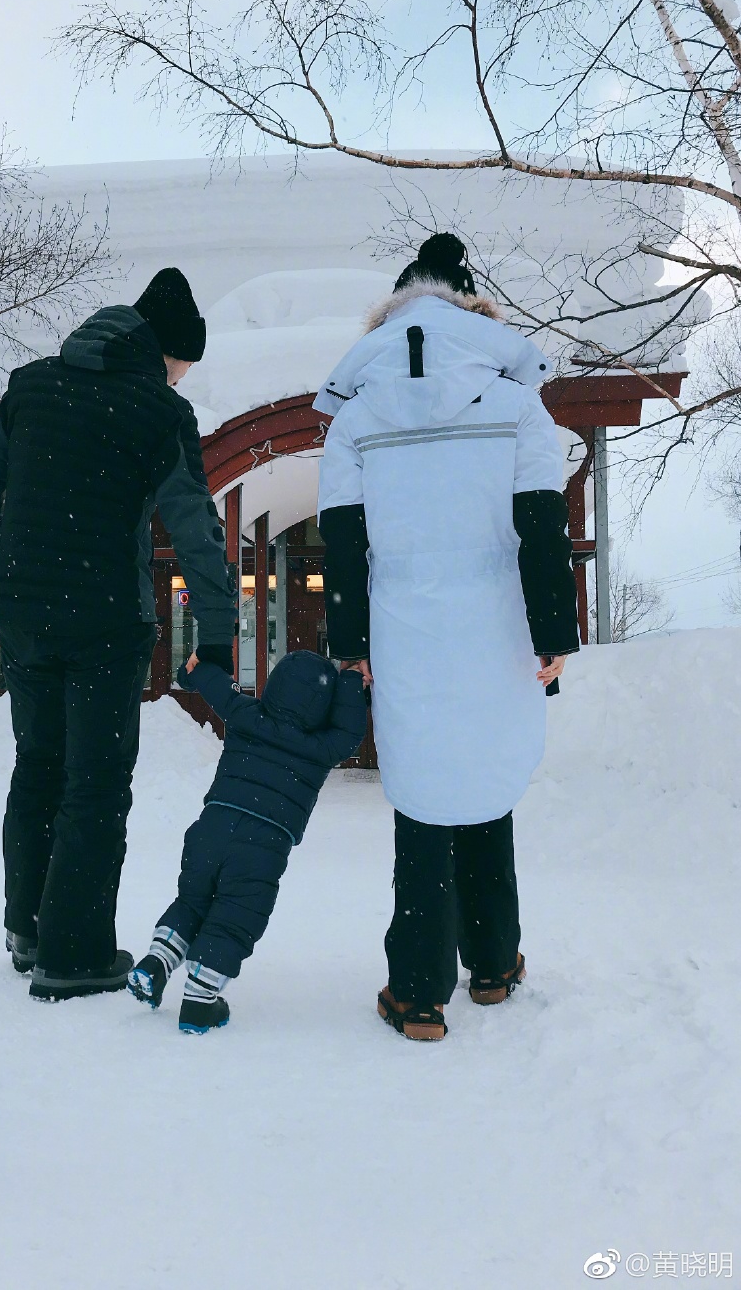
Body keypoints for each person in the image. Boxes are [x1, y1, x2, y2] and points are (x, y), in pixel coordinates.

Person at [315, 232, 580, 1042]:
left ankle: (420, 988)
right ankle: (495, 963)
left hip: (406, 625)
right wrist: (552, 634)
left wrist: (350, 642)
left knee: (423, 797)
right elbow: (543, 527)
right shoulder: (514, 404)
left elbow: (340, 536)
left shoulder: (357, 414)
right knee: (486, 783)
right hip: (497, 621)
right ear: (470, 304)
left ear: (393, 309)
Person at [0, 268, 236, 1002]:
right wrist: (219, 631)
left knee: (38, 765)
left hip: (24, 612)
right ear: (168, 352)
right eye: (183, 366)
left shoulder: (32, 386)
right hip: (105, 615)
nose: (180, 379)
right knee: (96, 780)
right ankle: (72, 954)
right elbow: (197, 529)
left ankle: (29, 927)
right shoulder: (158, 410)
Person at [126, 650, 368, 1033]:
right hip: (262, 848)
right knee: (233, 919)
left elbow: (215, 686)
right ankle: (200, 1003)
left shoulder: (246, 715)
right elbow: (350, 731)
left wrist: (193, 673)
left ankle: (155, 964)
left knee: (192, 902)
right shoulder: (321, 747)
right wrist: (353, 677)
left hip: (211, 829)